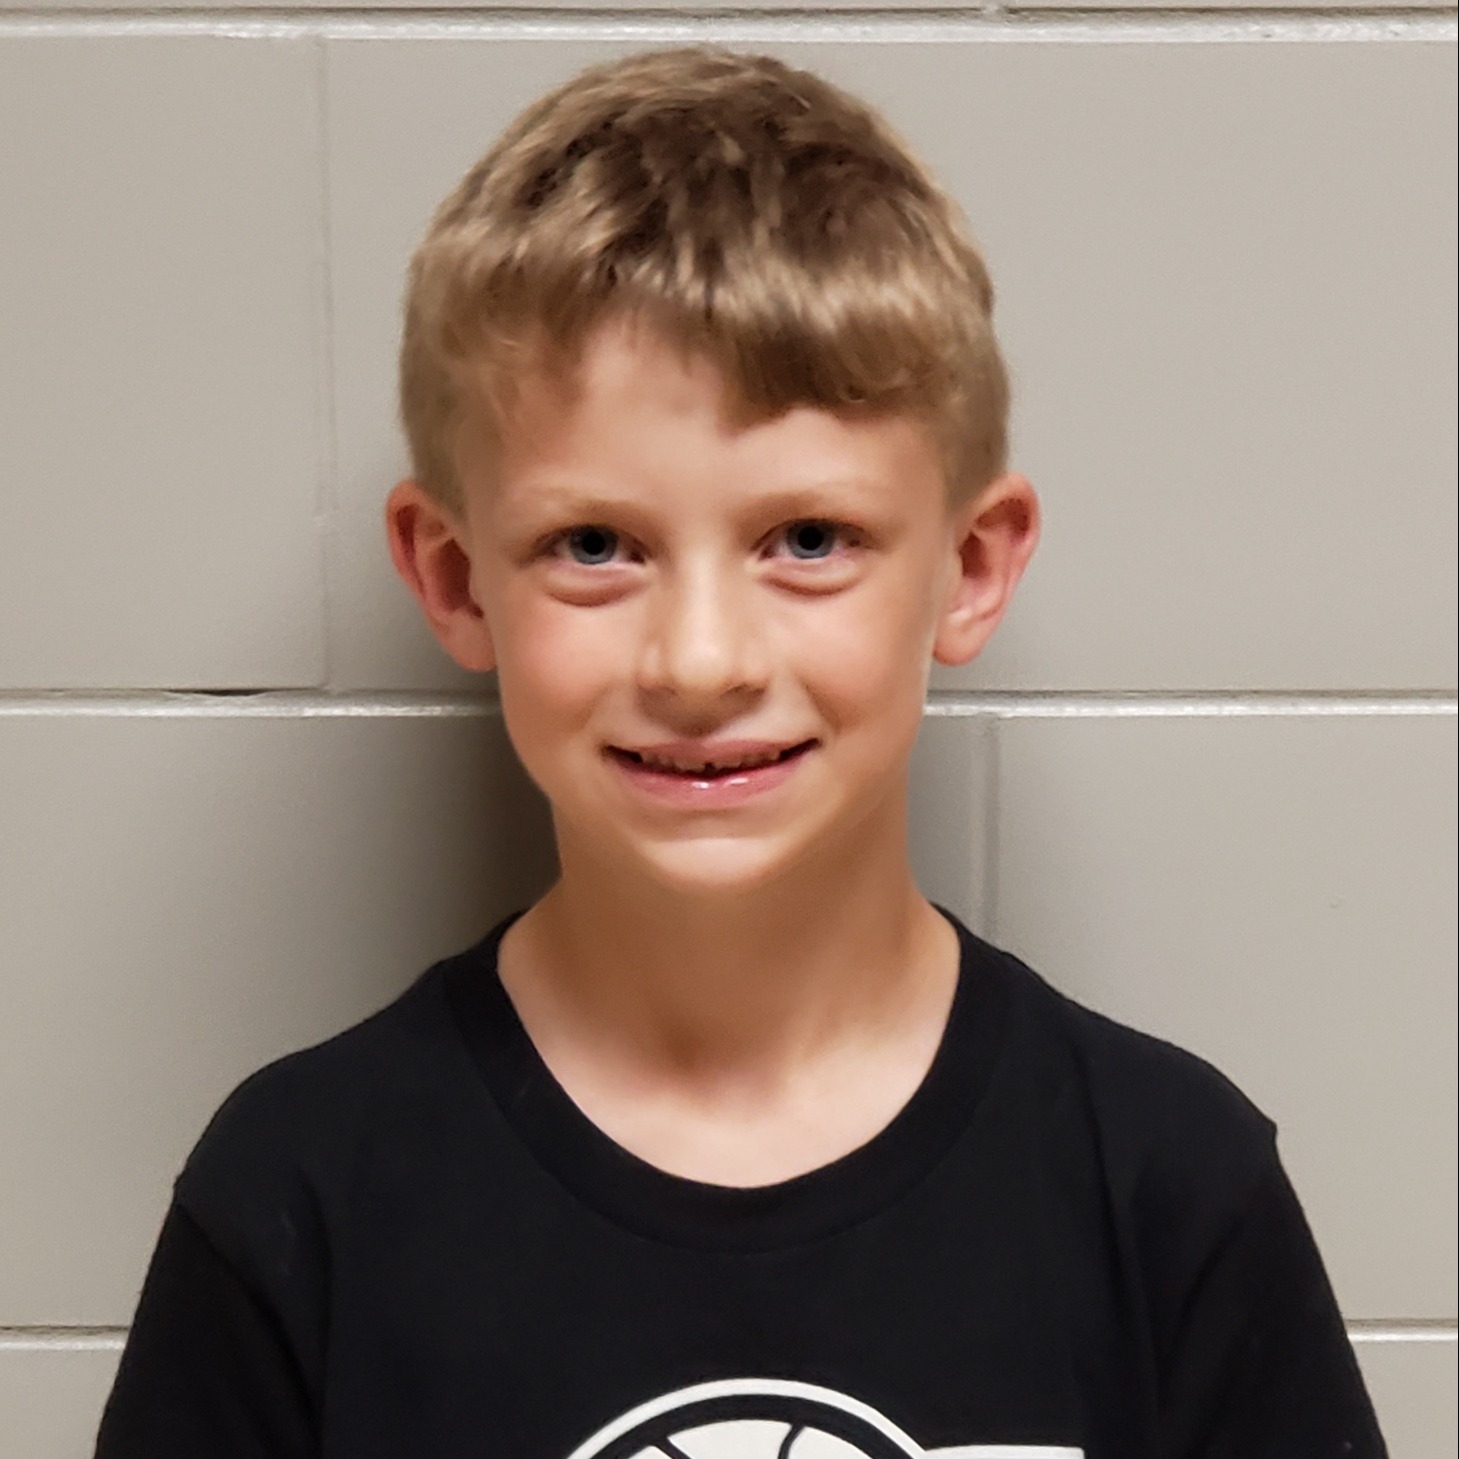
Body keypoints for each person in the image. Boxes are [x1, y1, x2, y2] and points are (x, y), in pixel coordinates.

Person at [94, 44, 1386, 1459]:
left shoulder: (1167, 1186)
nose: (700, 662)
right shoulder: (300, 1196)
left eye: (809, 540)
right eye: (595, 546)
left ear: (968, 565)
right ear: (457, 579)